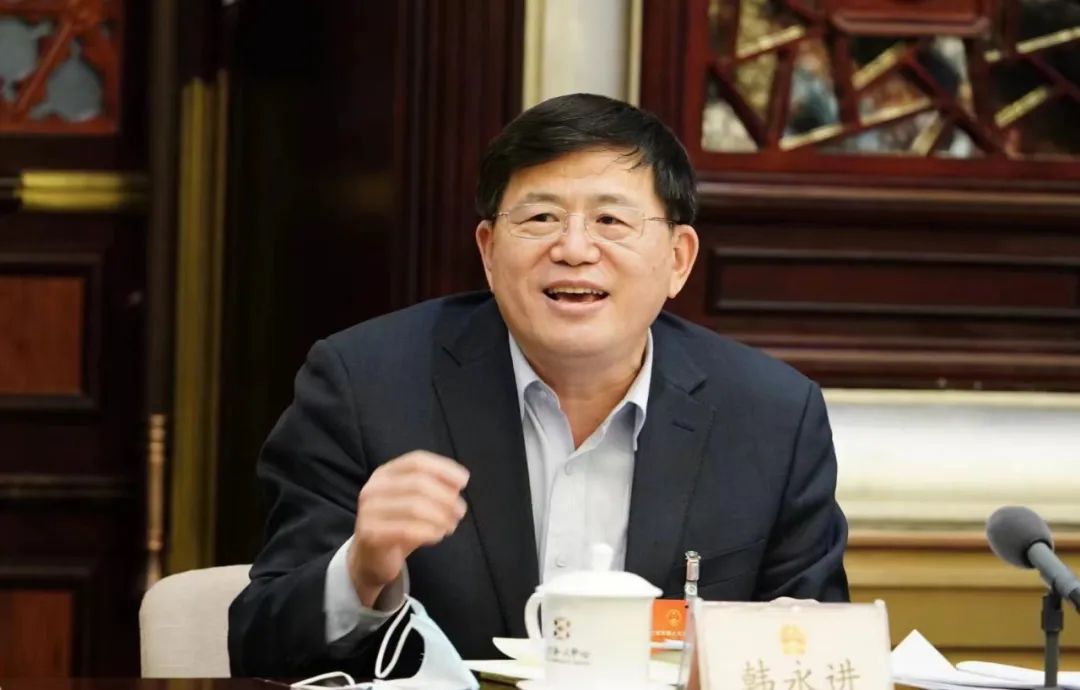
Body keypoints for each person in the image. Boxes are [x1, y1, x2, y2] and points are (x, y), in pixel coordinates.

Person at [228, 93, 849, 678]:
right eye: (541, 217)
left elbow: (817, 654)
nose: (574, 249)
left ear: (678, 259)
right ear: (489, 251)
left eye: (611, 220)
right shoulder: (364, 384)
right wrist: (360, 570)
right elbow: (258, 643)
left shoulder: (771, 416)